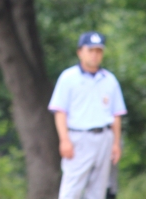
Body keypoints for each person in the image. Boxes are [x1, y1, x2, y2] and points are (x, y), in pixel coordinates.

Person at [48, 32, 127, 199]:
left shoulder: (109, 80)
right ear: (80, 52)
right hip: (79, 138)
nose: (95, 54)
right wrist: (64, 140)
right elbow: (60, 112)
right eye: (90, 50)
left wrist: (116, 143)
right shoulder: (68, 77)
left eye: (98, 51)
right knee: (71, 189)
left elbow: (116, 115)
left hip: (104, 137)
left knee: (98, 190)